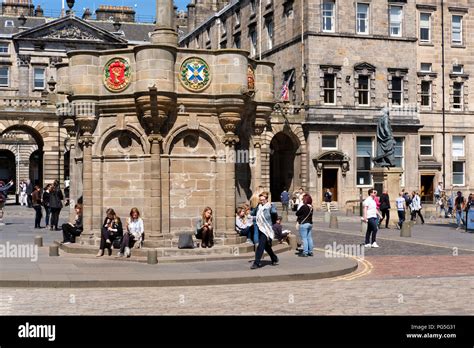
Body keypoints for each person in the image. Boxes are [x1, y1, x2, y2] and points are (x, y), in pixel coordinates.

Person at [251, 192, 279, 269]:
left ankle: (256, 262)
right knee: (266, 246)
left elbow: (274, 216)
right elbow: (252, 214)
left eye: (263, 200)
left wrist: (272, 207)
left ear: (267, 199)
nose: (261, 201)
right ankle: (274, 257)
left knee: (261, 246)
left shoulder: (270, 206)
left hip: (267, 229)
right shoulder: (259, 207)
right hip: (260, 228)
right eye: (260, 200)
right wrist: (254, 208)